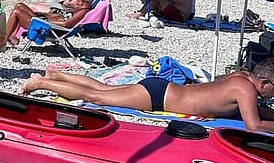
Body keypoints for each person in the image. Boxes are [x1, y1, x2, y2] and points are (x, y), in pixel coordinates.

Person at [22, 58, 274, 133]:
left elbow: (258, 112)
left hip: (161, 89)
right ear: (263, 82)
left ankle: (57, 76)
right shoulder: (245, 89)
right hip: (159, 98)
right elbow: (254, 126)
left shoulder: (240, 78)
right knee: (96, 96)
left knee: (102, 89)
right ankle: (42, 83)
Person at [4, 0, 97, 41]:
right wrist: (43, 15)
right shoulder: (82, 7)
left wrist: (46, 21)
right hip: (46, 22)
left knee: (16, 12)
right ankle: (12, 36)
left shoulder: (83, 11)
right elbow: (64, 16)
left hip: (47, 27)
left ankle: (2, 41)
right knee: (19, 5)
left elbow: (66, 24)